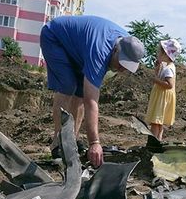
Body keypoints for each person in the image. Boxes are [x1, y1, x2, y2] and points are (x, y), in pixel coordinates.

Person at [40, 15, 145, 167]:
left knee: (80, 92)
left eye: (127, 67)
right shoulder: (100, 51)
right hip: (55, 37)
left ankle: (71, 141)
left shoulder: (127, 44)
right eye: (121, 63)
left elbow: (85, 96)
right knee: (68, 86)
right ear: (115, 50)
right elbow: (91, 101)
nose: (121, 69)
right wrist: (94, 142)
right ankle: (58, 142)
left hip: (79, 48)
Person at [145, 39, 181, 140]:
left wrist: (155, 80)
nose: (157, 54)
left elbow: (169, 84)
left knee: (156, 122)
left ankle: (153, 143)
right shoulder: (166, 66)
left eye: (159, 52)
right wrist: (157, 69)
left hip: (162, 97)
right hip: (161, 96)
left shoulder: (169, 69)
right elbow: (160, 76)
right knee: (158, 123)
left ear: (166, 54)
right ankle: (158, 142)